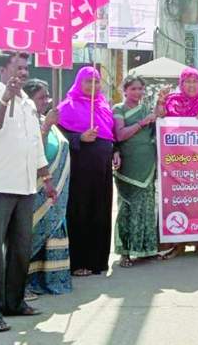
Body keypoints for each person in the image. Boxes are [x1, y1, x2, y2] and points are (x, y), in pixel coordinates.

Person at [0, 51, 55, 333]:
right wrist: (5, 98)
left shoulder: (29, 105)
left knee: (21, 248)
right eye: (18, 67)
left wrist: (46, 178)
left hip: (25, 186)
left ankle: (14, 302)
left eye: (25, 68)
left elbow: (35, 144)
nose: (23, 73)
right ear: (2, 70)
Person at [57, 66, 118, 276]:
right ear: (78, 83)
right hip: (80, 169)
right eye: (88, 81)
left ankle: (97, 261)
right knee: (80, 211)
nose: (93, 86)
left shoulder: (103, 106)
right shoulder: (67, 106)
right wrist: (79, 137)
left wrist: (115, 151)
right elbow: (57, 134)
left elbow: (110, 134)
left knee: (100, 211)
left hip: (102, 169)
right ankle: (79, 262)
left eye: (96, 81)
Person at [158, 67, 198, 259]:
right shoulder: (171, 100)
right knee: (178, 202)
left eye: (195, 81)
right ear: (181, 83)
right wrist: (160, 101)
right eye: (188, 81)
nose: (192, 85)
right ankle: (178, 245)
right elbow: (159, 118)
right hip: (175, 162)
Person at [23, 79, 73, 297]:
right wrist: (46, 127)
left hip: (55, 190)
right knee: (32, 235)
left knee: (53, 234)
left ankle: (50, 279)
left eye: (47, 97)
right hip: (36, 188)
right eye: (41, 97)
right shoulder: (27, 122)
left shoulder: (45, 119)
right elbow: (35, 153)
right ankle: (25, 282)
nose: (46, 101)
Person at [113, 75, 160, 267]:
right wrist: (142, 123)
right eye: (133, 88)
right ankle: (125, 252)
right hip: (128, 168)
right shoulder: (119, 109)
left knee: (147, 208)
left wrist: (158, 111)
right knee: (127, 209)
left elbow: (157, 130)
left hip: (148, 165)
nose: (137, 92)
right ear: (124, 90)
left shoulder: (147, 109)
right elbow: (120, 135)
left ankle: (146, 250)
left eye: (140, 89)